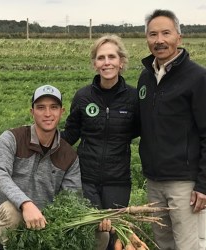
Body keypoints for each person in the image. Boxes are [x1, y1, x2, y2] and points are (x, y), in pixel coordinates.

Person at [137, 9, 206, 250]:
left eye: (166, 33)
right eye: (153, 34)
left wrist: (205, 185)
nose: (159, 40)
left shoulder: (199, 78)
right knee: (163, 244)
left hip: (185, 184)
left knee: (188, 245)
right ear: (146, 39)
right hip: (154, 180)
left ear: (179, 37)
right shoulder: (146, 78)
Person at [0, 85, 110, 249]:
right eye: (41, 108)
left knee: (101, 235)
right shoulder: (12, 138)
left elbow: (71, 198)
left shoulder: (68, 155)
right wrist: (25, 204)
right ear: (32, 112)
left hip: (47, 224)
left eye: (54, 107)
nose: (48, 114)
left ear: (61, 112)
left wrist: (93, 219)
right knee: (12, 212)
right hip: (5, 220)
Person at [61, 35, 139, 249]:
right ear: (94, 64)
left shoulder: (133, 98)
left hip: (118, 181)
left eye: (112, 57)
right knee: (92, 234)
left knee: (114, 236)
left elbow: (141, 131)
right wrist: (40, 143)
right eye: (101, 57)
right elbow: (70, 135)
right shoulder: (83, 97)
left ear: (121, 62)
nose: (107, 62)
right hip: (86, 179)